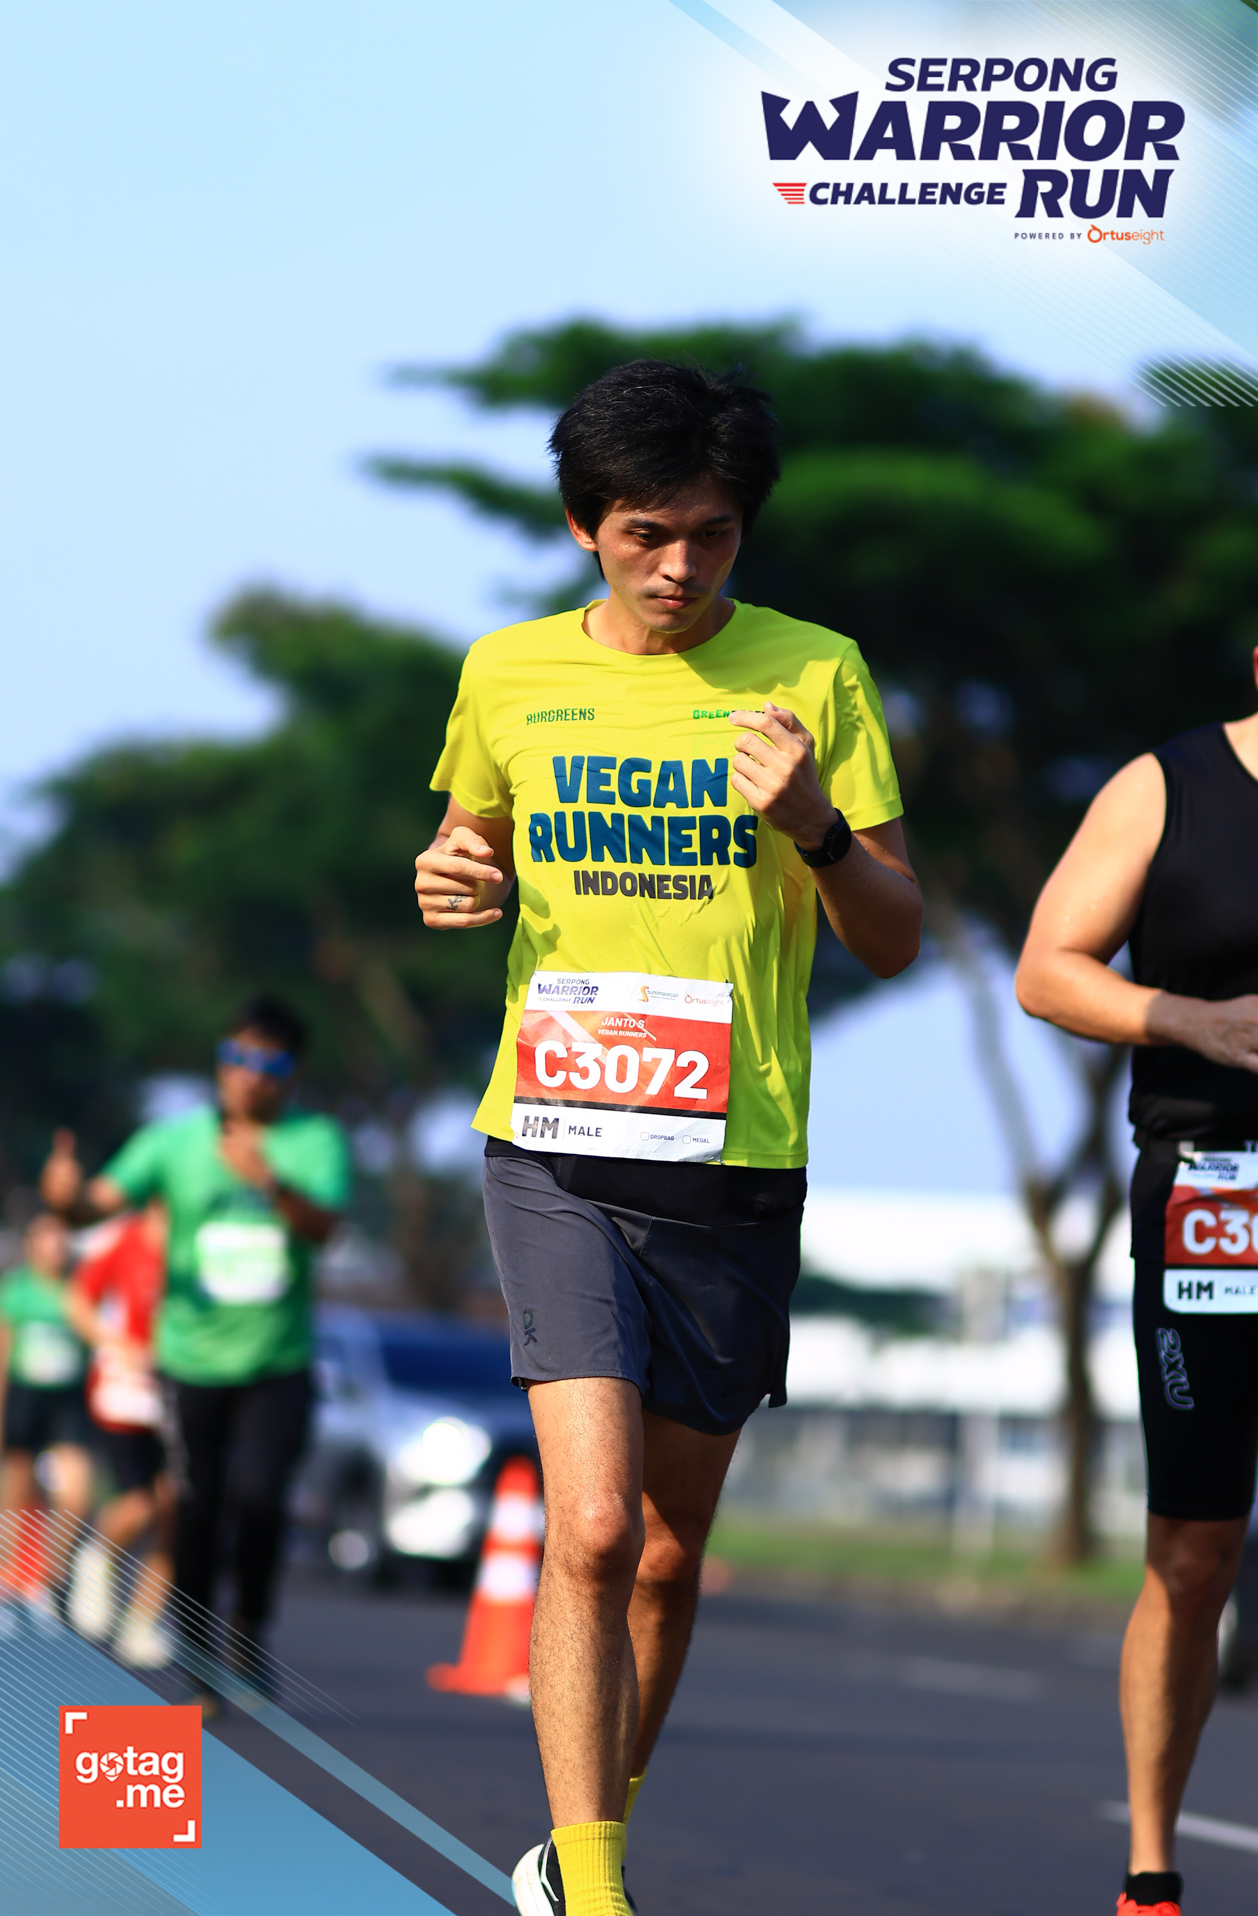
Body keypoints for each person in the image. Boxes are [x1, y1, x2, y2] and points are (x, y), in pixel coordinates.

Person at [415, 359, 923, 1916]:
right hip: (553, 1147)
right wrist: (450, 880)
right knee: (586, 1528)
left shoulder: (817, 674)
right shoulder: (507, 674)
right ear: (586, 526)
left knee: (663, 1554)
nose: (683, 565)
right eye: (649, 532)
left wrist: (816, 826)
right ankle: (591, 1889)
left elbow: (894, 936)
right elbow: (464, 846)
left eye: (713, 533)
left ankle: (589, 1842)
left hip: (731, 1164)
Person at [1016, 656, 1258, 1916]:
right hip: (1215, 1196)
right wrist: (1188, 1020)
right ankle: (1150, 1868)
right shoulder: (1169, 785)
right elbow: (1044, 967)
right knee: (1194, 1548)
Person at [41, 993, 349, 1702]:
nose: (250, 1075)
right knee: (195, 1508)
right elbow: (93, 1207)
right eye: (237, 1058)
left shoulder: (316, 1141)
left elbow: (326, 1229)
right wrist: (63, 1200)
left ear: (293, 1073)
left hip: (277, 1361)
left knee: (261, 1499)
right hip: (188, 1364)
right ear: (219, 1063)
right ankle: (201, 1655)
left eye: (270, 1064)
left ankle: (250, 1625)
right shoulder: (173, 1140)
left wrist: (269, 1182)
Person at [64, 1201, 177, 1668]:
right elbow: (78, 1301)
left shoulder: (201, 1240)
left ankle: (142, 1621)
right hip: (127, 1394)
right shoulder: (121, 1238)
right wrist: (114, 1343)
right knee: (140, 1503)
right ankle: (96, 1556)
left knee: (176, 1514)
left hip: (182, 1391)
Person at [0, 1211, 93, 1608]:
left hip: (68, 1403)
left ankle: (50, 1578)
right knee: (15, 1486)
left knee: (76, 1492)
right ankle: (1, 1572)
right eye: (47, 1238)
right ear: (31, 1244)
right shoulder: (13, 1291)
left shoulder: (78, 1288)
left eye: (62, 1238)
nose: (55, 1247)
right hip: (24, 1397)